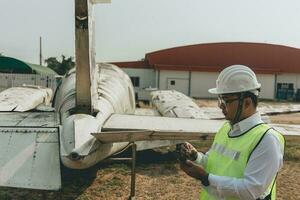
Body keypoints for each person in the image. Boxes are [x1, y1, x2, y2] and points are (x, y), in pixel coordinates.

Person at [180, 65, 285, 200]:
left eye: (226, 100)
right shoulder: (226, 128)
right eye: (220, 99)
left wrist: (204, 177)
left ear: (247, 103)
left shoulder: (267, 140)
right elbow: (215, 162)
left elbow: (250, 190)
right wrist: (196, 157)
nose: (220, 105)